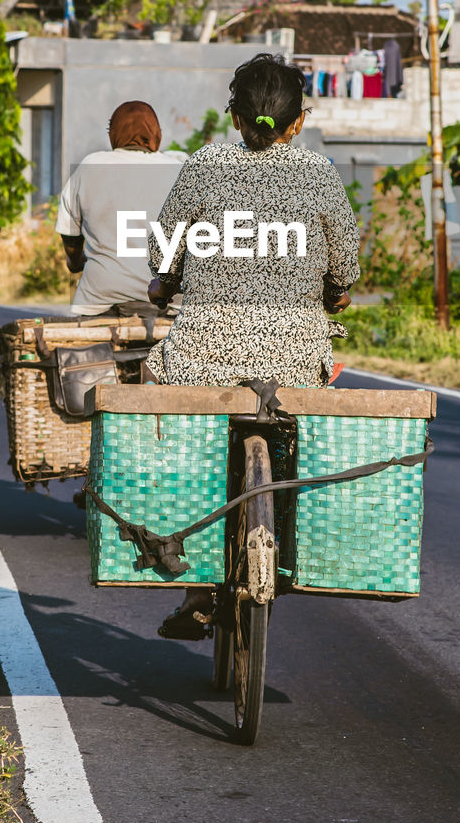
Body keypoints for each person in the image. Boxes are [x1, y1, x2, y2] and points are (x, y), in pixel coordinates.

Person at [144, 53, 361, 638]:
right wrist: (335, 292)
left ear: (235, 117)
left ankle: (187, 571)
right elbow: (346, 267)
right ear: (298, 121)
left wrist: (165, 279)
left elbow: (162, 253)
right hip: (292, 361)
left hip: (202, 357)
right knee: (296, 446)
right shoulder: (319, 174)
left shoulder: (205, 164)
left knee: (187, 446)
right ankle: (290, 545)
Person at [55, 101, 185, 317]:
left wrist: (75, 262)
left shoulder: (90, 166)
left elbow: (70, 235)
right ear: (156, 134)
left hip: (98, 299)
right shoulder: (178, 169)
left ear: (113, 133)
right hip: (169, 303)